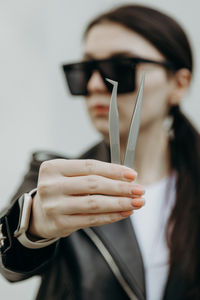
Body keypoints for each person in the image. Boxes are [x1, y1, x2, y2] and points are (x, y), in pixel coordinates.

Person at [0, 4, 199, 300]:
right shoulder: (54, 180)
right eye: (83, 70)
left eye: (120, 68)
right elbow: (11, 268)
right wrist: (34, 223)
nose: (94, 85)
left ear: (178, 84)